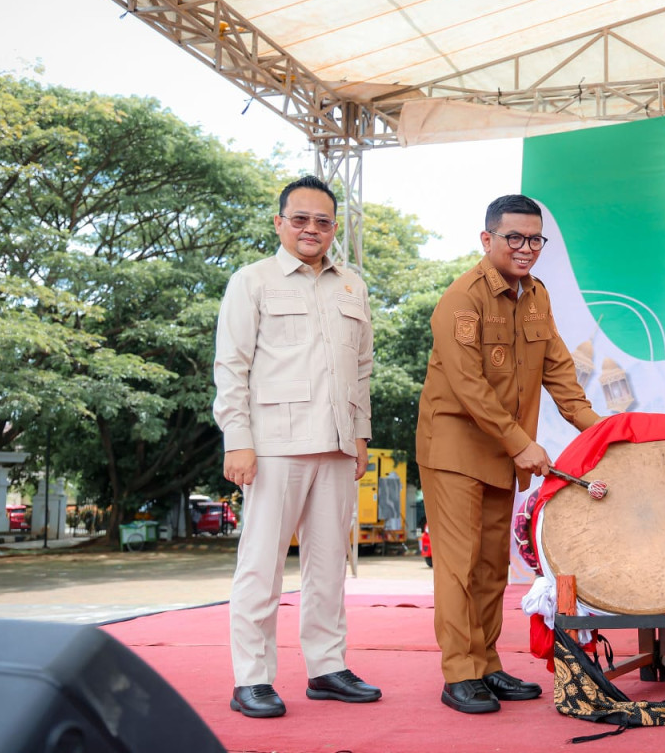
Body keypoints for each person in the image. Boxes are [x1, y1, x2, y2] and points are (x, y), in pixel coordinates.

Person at [416, 194, 601, 714]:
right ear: (487, 239)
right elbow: (469, 387)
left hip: (502, 452)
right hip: (454, 448)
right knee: (459, 565)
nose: (526, 247)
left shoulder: (536, 295)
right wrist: (521, 443)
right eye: (514, 237)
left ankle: (486, 664)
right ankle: (459, 673)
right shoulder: (462, 298)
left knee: (492, 566)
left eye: (535, 238)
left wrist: (606, 432)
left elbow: (560, 372)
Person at [213, 175, 380, 718]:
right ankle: (252, 678)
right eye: (301, 218)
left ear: (334, 228)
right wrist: (237, 440)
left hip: (336, 444)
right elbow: (231, 366)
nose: (312, 229)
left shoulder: (352, 286)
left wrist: (360, 436)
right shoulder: (252, 281)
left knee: (329, 567)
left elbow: (362, 368)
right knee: (261, 565)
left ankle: (327, 668)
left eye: (323, 221)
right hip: (273, 445)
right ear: (279, 222)